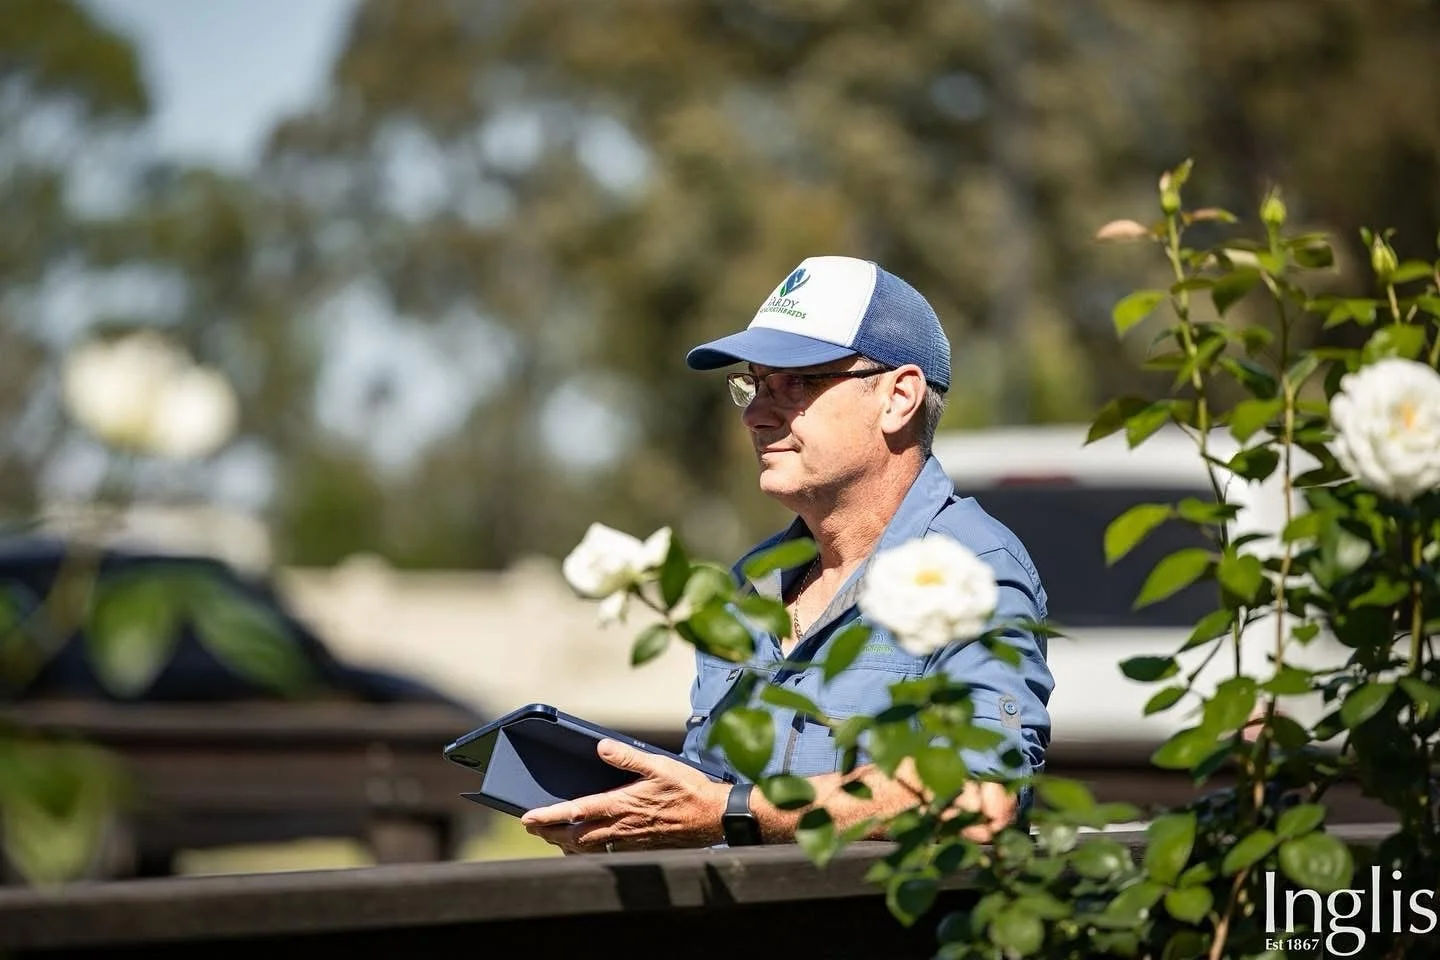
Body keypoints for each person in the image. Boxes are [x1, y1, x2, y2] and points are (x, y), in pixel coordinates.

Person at [522, 255, 1054, 853]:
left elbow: (979, 798)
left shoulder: (972, 567)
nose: (754, 414)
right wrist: (636, 818)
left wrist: (736, 811)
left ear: (898, 398)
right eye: (753, 384)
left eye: (796, 383)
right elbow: (713, 796)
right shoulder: (751, 583)